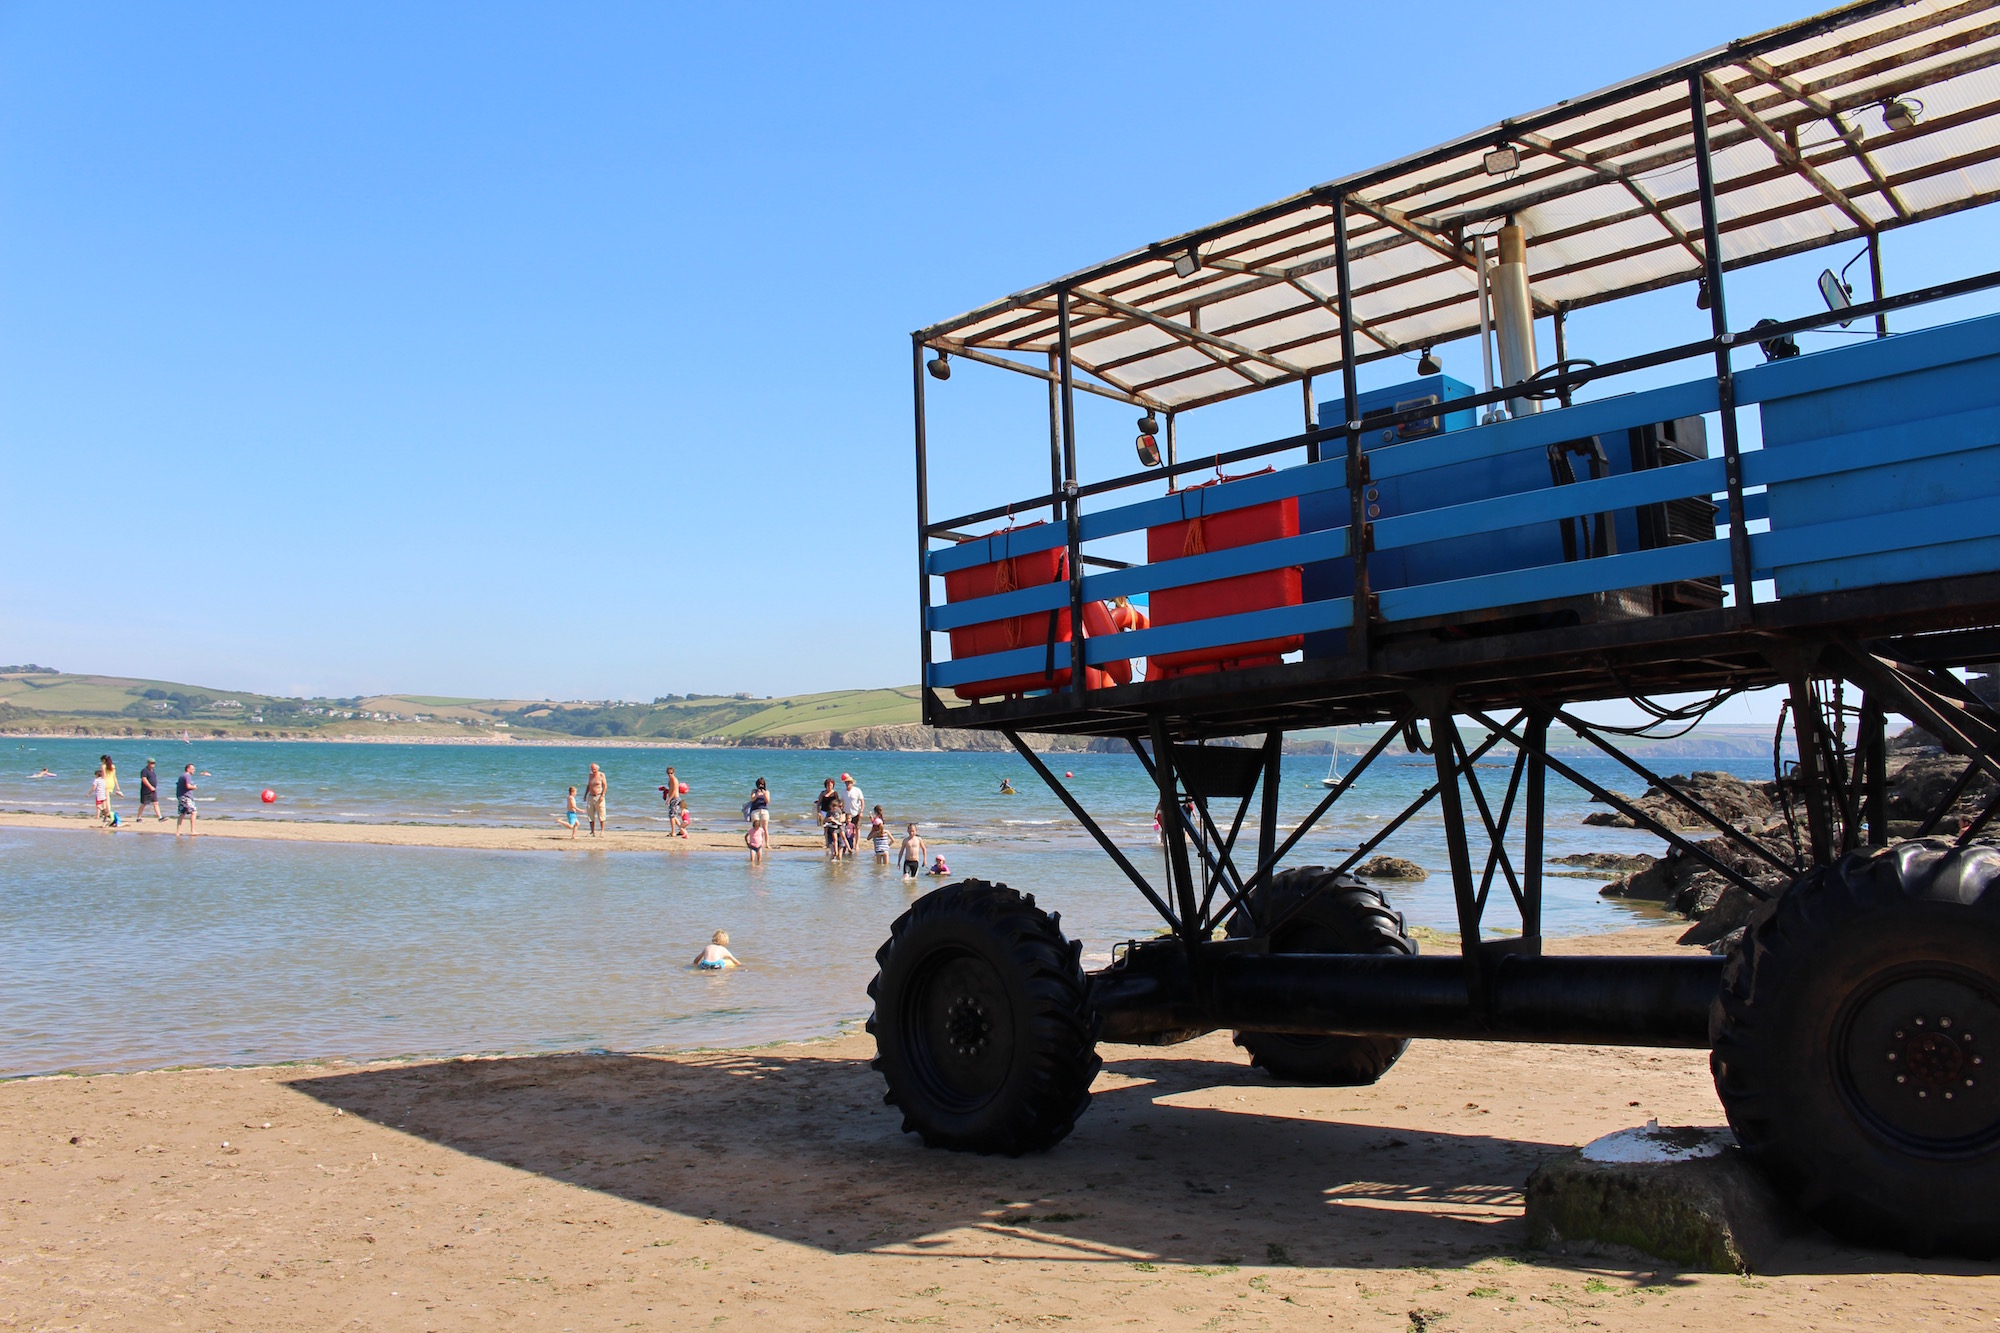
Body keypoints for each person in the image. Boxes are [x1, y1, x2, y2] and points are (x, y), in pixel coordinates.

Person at [816, 778, 844, 861]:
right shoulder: (823, 793)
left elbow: (838, 803)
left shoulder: (835, 793)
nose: (829, 786)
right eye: (828, 785)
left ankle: (834, 842)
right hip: (824, 811)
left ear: (833, 785)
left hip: (833, 812)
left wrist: (840, 812)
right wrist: (818, 812)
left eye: (831, 785)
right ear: (826, 785)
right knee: (825, 829)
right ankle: (827, 843)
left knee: (833, 828)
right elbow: (819, 803)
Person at [841, 773, 865, 856]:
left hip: (856, 813)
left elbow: (862, 801)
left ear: (852, 783)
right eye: (846, 782)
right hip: (847, 813)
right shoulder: (843, 792)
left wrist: (861, 811)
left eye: (849, 782)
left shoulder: (857, 790)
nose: (848, 784)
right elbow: (842, 802)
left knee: (857, 828)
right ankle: (846, 844)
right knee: (846, 830)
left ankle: (856, 844)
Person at [583, 763, 608, 837]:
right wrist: (585, 795)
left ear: (597, 768)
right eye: (591, 769)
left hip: (599, 796)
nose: (593, 770)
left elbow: (605, 786)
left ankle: (602, 831)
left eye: (594, 769)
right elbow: (589, 785)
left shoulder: (601, 775)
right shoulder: (590, 775)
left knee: (601, 814)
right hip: (591, 796)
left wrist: (602, 795)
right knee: (590, 815)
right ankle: (592, 831)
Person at [175, 763, 198, 837]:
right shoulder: (187, 775)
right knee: (194, 812)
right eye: (193, 769)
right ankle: (192, 831)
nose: (194, 770)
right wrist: (194, 787)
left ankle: (178, 832)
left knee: (182, 814)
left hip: (181, 797)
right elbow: (188, 786)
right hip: (186, 797)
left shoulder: (182, 776)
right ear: (188, 769)